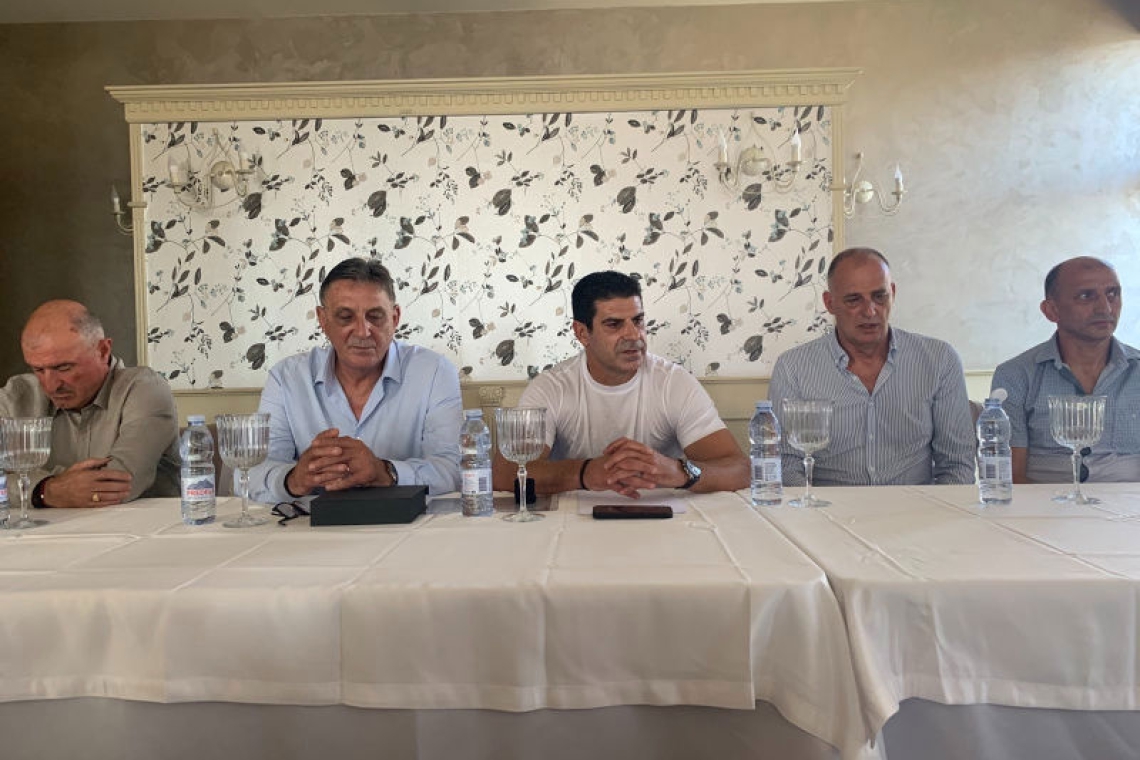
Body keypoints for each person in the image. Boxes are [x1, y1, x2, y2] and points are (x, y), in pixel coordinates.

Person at [492, 270, 748, 497]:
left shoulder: (674, 382)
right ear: (582, 333)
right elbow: (504, 473)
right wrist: (586, 473)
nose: (634, 335)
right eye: (614, 324)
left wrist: (679, 471)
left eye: (638, 321)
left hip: (663, 519)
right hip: (572, 523)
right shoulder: (551, 387)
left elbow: (740, 469)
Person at [248, 257, 462, 502]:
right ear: (323, 320)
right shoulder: (286, 379)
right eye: (345, 317)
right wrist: (294, 479)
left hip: (410, 522)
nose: (362, 331)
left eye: (375, 316)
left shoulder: (434, 372)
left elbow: (455, 468)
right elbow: (250, 472)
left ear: (395, 318)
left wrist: (386, 472)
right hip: (311, 523)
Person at [768, 247, 975, 486]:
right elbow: (785, 464)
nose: (869, 311)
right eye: (854, 300)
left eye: (880, 296)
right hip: (828, 506)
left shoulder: (939, 360)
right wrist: (812, 506)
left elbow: (957, 464)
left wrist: (940, 508)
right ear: (830, 303)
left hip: (917, 505)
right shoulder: (793, 368)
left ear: (893, 293)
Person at [0, 300, 180, 507]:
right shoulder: (16, 395)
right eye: (38, 370)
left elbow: (117, 485)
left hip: (143, 525)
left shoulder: (145, 388)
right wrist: (45, 490)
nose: (50, 386)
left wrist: (23, 482)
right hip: (50, 528)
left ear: (103, 350)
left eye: (64, 368)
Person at [991, 256, 1140, 483]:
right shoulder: (1016, 375)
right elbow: (1011, 476)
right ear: (1051, 310)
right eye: (1086, 296)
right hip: (1045, 501)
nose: (1105, 308)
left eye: (1113, 294)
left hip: (1129, 501)